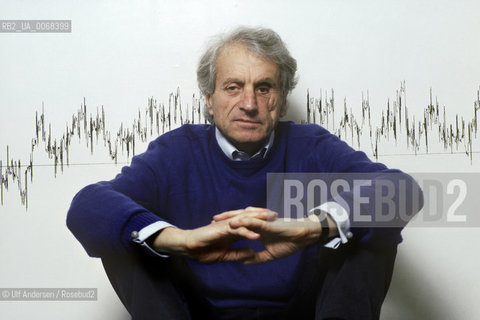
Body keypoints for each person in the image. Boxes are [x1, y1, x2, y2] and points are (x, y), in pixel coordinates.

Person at [66, 26, 422, 320]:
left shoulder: (311, 145)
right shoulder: (177, 150)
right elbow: (86, 207)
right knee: (123, 230)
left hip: (305, 310)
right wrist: (178, 239)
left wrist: (312, 226)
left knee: (371, 225)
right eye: (233, 87)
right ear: (210, 98)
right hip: (192, 313)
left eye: (263, 88)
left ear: (281, 99)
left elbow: (403, 190)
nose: (249, 104)